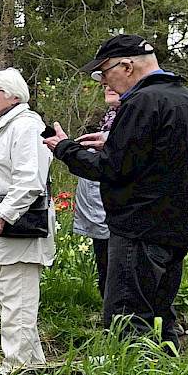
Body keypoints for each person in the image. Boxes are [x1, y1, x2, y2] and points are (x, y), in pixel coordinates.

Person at [45, 34, 188, 348]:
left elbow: (110, 170)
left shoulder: (140, 101)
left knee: (128, 320)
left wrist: (64, 148)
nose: (103, 81)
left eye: (105, 73)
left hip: (139, 227)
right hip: (177, 226)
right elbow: (163, 157)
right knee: (161, 316)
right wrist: (114, 143)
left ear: (126, 66)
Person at [0, 68, 53, 375]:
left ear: (16, 95)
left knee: (17, 305)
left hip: (19, 228)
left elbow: (30, 180)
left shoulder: (26, 126)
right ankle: (31, 370)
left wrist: (3, 214)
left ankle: (14, 373)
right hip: (2, 231)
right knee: (11, 303)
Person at [72, 89, 119, 300]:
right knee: (107, 269)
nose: (107, 85)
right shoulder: (110, 119)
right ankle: (111, 321)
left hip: (120, 216)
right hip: (101, 216)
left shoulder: (135, 119)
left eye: (112, 78)